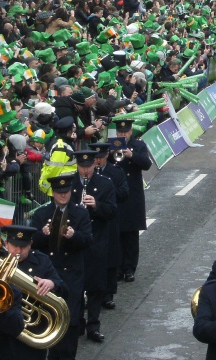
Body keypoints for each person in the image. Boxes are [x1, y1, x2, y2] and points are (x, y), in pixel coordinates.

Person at [31, 174, 93, 360]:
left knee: (70, 319)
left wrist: (73, 236)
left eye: (65, 192)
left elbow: (88, 240)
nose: (63, 196)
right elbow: (32, 243)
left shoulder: (80, 213)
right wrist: (43, 235)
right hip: (49, 271)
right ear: (53, 194)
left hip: (71, 273)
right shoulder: (41, 214)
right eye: (59, 193)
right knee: (46, 318)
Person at [71, 149, 117, 343]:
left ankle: (93, 326)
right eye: (82, 167)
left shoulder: (105, 183)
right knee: (77, 284)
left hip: (97, 241)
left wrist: (96, 205)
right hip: (76, 242)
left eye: (89, 166)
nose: (85, 171)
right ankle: (78, 322)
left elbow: (112, 210)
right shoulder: (69, 184)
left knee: (95, 286)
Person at [3, 224, 67, 360]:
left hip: (32, 330)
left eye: (23, 247)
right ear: (6, 243)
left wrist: (52, 283)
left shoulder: (42, 261)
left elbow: (64, 289)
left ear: (30, 244)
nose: (18, 251)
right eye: (14, 246)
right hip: (2, 331)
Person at [112, 118, 153, 282]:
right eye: (120, 132)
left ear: (130, 132)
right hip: (116, 193)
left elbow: (147, 164)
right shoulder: (113, 145)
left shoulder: (138, 145)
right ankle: (119, 267)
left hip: (132, 194)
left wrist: (132, 155)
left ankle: (130, 268)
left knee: (131, 234)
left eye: (125, 132)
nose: (123, 134)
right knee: (117, 233)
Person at [89, 142, 128, 311]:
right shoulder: (87, 175)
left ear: (107, 156)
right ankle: (91, 292)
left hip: (109, 219)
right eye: (95, 158)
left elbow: (124, 193)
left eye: (101, 157)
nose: (97, 161)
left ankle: (108, 294)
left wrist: (108, 190)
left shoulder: (116, 172)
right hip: (90, 220)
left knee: (111, 255)